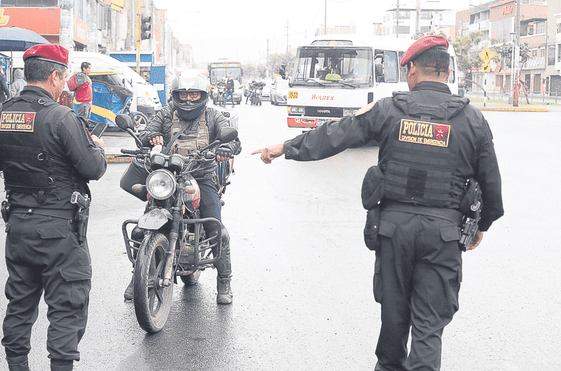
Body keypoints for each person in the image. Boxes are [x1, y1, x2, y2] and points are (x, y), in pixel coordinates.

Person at [251, 35, 504, 371]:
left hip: (394, 231)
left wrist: (286, 147)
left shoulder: (389, 109)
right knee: (429, 327)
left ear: (413, 69)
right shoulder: (472, 119)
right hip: (443, 234)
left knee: (394, 317)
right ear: (446, 71)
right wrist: (481, 225)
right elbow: (491, 185)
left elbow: (337, 134)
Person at [0, 44, 107, 371]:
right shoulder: (61, 117)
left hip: (18, 228)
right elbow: (93, 168)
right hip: (59, 232)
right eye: (62, 78)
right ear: (55, 75)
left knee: (19, 304)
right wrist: (97, 147)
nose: (63, 85)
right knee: (66, 308)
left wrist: (14, 158)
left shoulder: (0, 113)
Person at [123, 69, 242, 304]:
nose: (188, 100)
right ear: (175, 95)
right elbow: (147, 131)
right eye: (183, 95)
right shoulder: (166, 114)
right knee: (141, 228)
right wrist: (151, 138)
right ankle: (139, 273)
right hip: (168, 177)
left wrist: (225, 150)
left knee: (215, 228)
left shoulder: (213, 116)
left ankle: (224, 280)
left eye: (194, 95)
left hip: (202, 177)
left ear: (203, 95)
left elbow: (234, 141)